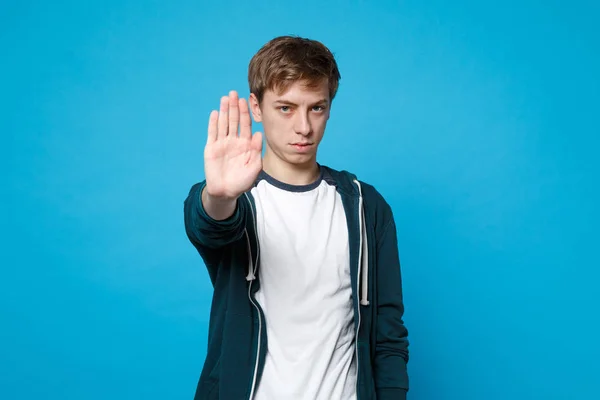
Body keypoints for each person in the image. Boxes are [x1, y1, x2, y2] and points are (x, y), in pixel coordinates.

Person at [184, 35, 409, 400]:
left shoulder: (366, 206)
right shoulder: (238, 200)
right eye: (285, 108)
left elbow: (389, 332)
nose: (303, 127)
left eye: (316, 108)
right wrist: (219, 196)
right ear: (256, 108)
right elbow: (210, 226)